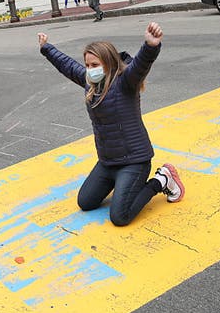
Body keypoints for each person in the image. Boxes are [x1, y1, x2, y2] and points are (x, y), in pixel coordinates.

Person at [36, 22, 185, 227]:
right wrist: (47, 48)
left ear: (108, 63)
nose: (90, 70)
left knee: (120, 216)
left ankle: (161, 180)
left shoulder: (125, 82)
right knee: (86, 202)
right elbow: (68, 66)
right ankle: (123, 185)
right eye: (88, 65)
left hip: (134, 161)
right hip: (108, 162)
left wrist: (150, 46)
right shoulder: (91, 83)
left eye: (95, 65)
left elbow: (141, 65)